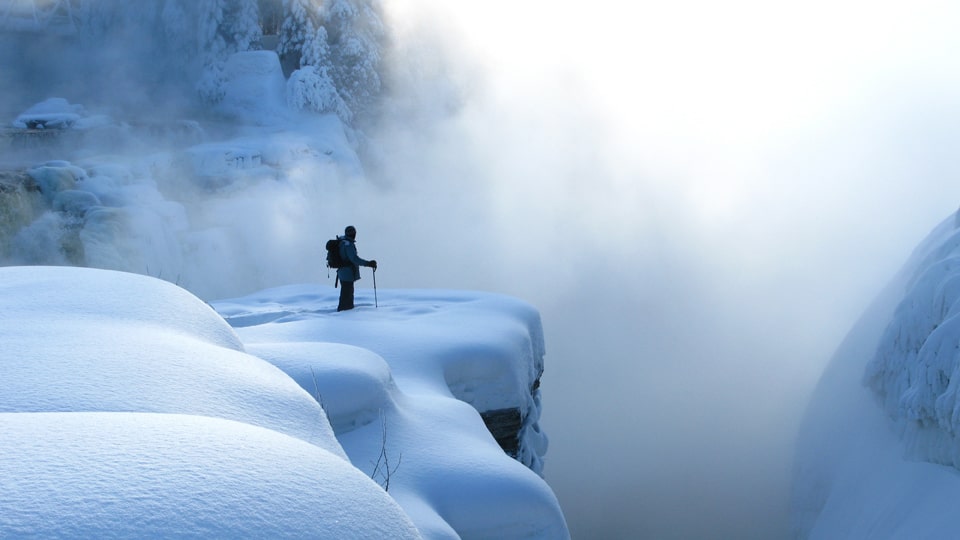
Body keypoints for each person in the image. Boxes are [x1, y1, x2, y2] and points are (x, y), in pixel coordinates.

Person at [336, 225, 377, 312]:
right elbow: (354, 259)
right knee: (347, 294)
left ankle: (344, 311)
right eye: (352, 233)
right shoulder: (348, 244)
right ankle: (344, 313)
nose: (353, 234)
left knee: (346, 293)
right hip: (347, 273)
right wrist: (368, 263)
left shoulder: (342, 243)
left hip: (343, 272)